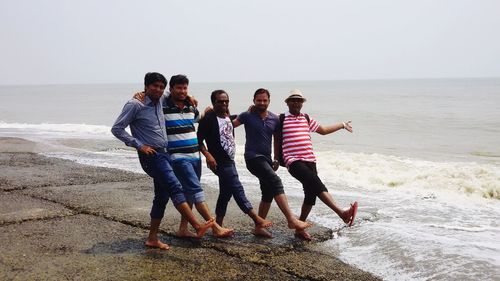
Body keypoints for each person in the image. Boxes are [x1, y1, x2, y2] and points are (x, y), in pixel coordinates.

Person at [111, 72, 214, 250]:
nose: (158, 89)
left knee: (161, 196)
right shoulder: (136, 104)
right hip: (151, 155)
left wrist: (189, 96)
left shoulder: (161, 98)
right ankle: (197, 226)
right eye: (154, 86)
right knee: (175, 186)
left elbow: (176, 93)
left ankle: (152, 238)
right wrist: (139, 145)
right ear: (145, 86)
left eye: (160, 87)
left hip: (165, 153)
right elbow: (117, 128)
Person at [156, 74, 233, 238]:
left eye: (185, 88)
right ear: (171, 89)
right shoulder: (163, 107)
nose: (182, 91)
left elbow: (200, 120)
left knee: (189, 193)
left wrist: (207, 112)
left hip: (195, 156)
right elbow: (157, 94)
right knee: (197, 190)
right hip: (178, 157)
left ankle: (183, 229)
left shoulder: (191, 107)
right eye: (178, 88)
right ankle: (215, 227)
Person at [276, 89, 358, 241]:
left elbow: (323, 130)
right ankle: (342, 213)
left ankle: (300, 227)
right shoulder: (280, 118)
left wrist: (342, 125)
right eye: (293, 100)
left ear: (302, 103)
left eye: (299, 100)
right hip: (293, 160)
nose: (296, 102)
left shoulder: (306, 118)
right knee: (315, 183)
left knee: (311, 193)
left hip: (310, 160)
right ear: (287, 102)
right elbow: (268, 126)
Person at [233, 88, 312, 238]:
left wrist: (276, 158)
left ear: (269, 101)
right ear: (254, 101)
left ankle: (258, 227)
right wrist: (210, 115)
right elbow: (228, 125)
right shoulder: (247, 115)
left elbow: (277, 139)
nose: (262, 103)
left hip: (267, 159)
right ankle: (291, 219)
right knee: (276, 181)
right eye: (259, 100)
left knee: (268, 191)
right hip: (252, 158)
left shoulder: (274, 118)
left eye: (264, 100)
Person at [197, 90, 273, 232]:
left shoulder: (227, 116)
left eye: (226, 101)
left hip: (229, 160)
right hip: (218, 161)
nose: (224, 104)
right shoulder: (208, 119)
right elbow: (198, 140)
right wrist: (208, 155)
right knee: (237, 187)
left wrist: (250, 111)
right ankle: (256, 218)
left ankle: (217, 225)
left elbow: (237, 120)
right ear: (213, 103)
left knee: (226, 192)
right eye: (220, 101)